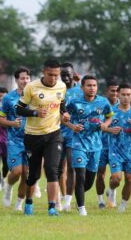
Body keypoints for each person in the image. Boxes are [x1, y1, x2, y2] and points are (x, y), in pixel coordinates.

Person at [16, 59, 70, 216]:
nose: (54, 78)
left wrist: (64, 113)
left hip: (53, 133)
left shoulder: (62, 86)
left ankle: (52, 207)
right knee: (34, 174)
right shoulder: (31, 87)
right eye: (50, 74)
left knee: (52, 170)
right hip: (33, 136)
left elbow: (61, 104)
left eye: (56, 75)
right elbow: (18, 109)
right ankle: (29, 203)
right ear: (43, 72)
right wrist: (34, 112)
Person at [65, 75, 112, 216]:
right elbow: (63, 118)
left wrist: (105, 125)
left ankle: (77, 195)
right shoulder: (74, 102)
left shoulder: (103, 102)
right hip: (78, 144)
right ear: (82, 87)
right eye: (88, 85)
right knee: (80, 176)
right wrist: (72, 126)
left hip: (96, 146)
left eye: (94, 85)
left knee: (89, 181)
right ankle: (81, 208)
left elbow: (109, 116)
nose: (92, 88)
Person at [105, 83, 131, 212]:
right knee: (117, 178)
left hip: (130, 151)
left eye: (128, 95)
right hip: (115, 150)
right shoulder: (111, 111)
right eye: (123, 94)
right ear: (118, 95)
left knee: (129, 178)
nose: (125, 97)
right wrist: (110, 129)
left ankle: (122, 206)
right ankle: (111, 189)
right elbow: (102, 127)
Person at [0, 67, 31, 211]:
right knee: (17, 172)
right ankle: (8, 187)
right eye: (22, 78)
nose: (25, 81)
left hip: (32, 140)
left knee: (27, 174)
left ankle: (19, 203)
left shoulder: (35, 97)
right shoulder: (8, 98)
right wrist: (12, 123)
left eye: (27, 78)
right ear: (16, 80)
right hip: (14, 141)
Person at [59, 62, 82, 212]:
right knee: (57, 168)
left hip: (74, 134)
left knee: (72, 168)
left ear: (74, 74)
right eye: (63, 75)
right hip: (57, 133)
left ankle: (67, 200)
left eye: (68, 74)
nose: (66, 77)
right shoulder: (58, 90)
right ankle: (60, 196)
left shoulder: (81, 91)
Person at [95, 78, 119, 209]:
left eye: (117, 91)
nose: (115, 93)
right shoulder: (100, 104)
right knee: (100, 173)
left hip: (117, 147)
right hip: (101, 145)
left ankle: (111, 191)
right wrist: (108, 129)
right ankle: (100, 201)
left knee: (116, 177)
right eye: (112, 91)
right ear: (107, 91)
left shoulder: (123, 105)